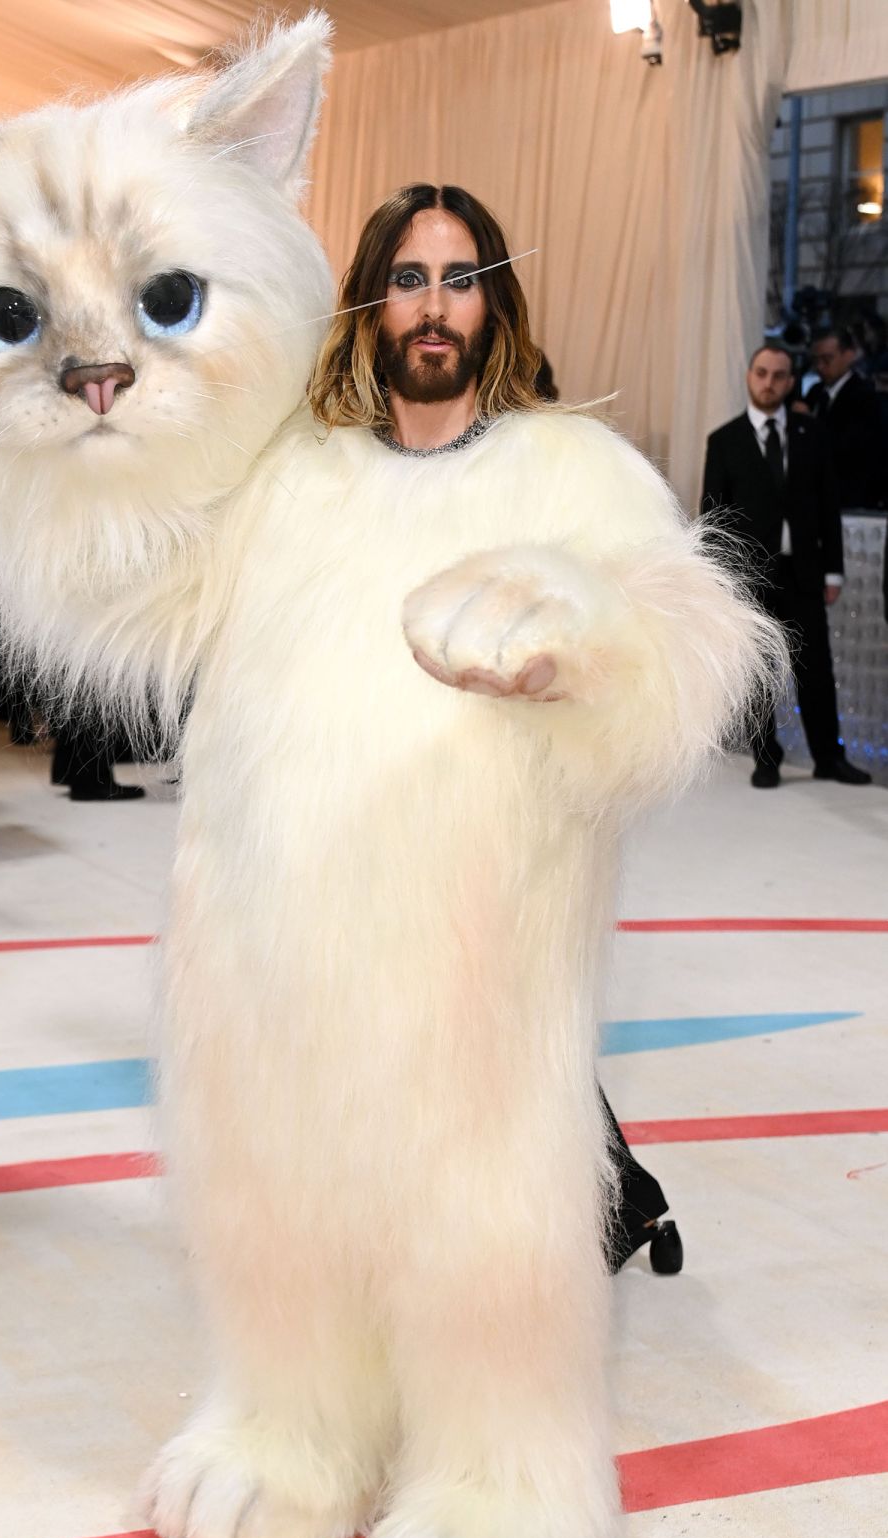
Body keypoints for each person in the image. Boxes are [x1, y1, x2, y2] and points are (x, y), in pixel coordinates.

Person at [311, 183, 680, 1274]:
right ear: (372, 304)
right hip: (359, 839)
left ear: (494, 302)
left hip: (503, 845)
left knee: (507, 1068)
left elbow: (650, 633)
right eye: (410, 280)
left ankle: (600, 1214)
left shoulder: (560, 471)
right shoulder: (319, 473)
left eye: (459, 280)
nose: (434, 306)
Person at [702, 344, 870, 788]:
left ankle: (829, 757)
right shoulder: (724, 441)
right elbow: (713, 515)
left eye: (779, 375)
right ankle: (766, 758)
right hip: (750, 579)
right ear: (749, 376)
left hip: (803, 573)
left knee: (815, 668)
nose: (769, 383)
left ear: (791, 382)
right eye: (762, 373)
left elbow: (828, 508)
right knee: (758, 674)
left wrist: (833, 569)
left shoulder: (811, 435)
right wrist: (716, 581)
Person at [806, 326, 885, 511]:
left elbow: (851, 447)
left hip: (850, 496)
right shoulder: (815, 393)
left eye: (827, 359)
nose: (820, 367)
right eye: (815, 361)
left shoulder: (865, 397)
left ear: (848, 355)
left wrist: (809, 425)